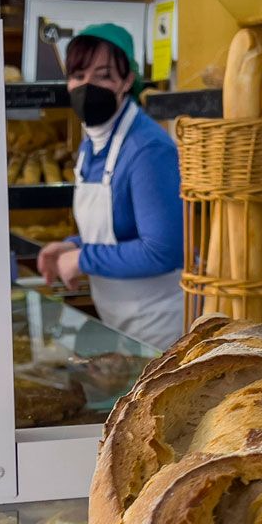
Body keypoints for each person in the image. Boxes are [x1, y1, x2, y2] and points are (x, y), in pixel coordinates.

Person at [37, 24, 184, 349]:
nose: (87, 86)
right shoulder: (92, 144)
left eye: (103, 75)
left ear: (127, 80)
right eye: (77, 75)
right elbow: (119, 229)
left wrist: (83, 259)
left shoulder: (147, 149)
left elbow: (164, 251)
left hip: (162, 327)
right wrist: (72, 245)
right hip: (120, 324)